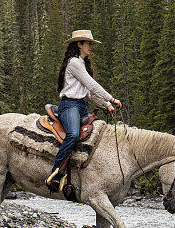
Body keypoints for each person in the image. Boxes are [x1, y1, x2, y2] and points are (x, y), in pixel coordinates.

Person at [46, 29, 122, 192]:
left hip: (81, 106)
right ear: (79, 44)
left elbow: (89, 93)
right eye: (88, 43)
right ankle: (56, 173)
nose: (91, 46)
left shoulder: (82, 64)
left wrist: (105, 105)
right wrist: (111, 99)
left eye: (91, 43)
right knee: (73, 134)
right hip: (69, 106)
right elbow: (92, 85)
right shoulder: (74, 62)